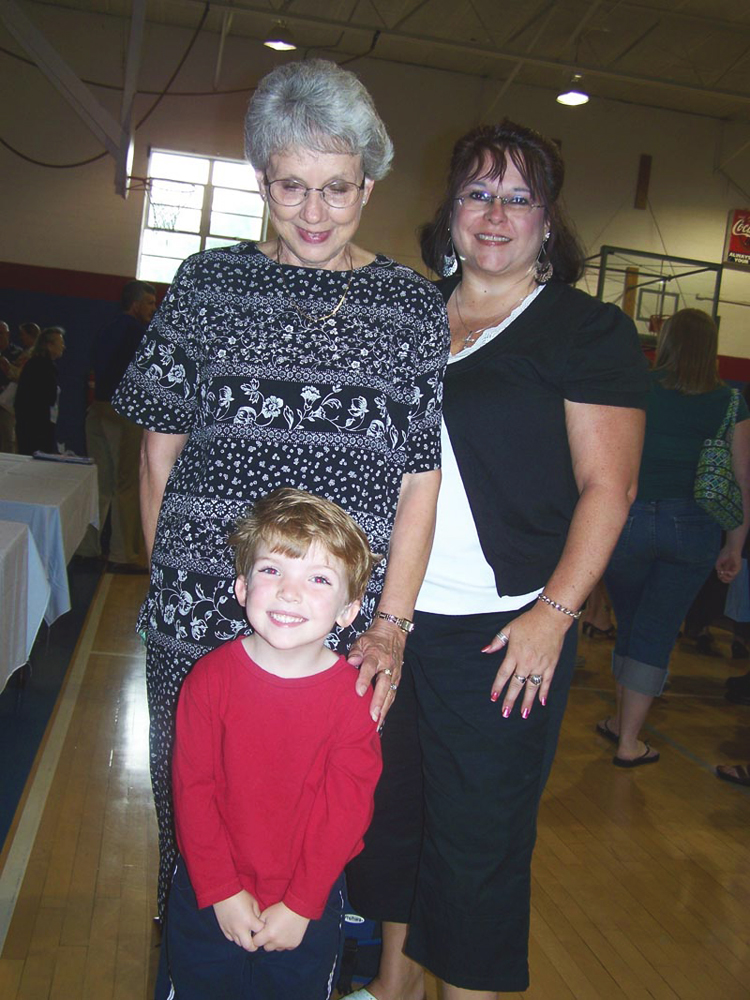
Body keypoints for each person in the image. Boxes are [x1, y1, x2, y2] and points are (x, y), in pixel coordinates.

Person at [112, 59, 448, 920]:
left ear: (368, 186)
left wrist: (392, 624)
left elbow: (418, 479)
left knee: (314, 832)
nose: (313, 214)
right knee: (198, 825)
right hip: (206, 609)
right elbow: (158, 453)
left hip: (331, 626)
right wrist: (176, 586)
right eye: (291, 187)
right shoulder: (207, 284)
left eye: (336, 189)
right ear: (263, 180)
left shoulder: (411, 307)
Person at [343, 119, 648, 1000]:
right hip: (391, 623)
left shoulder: (584, 332)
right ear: (451, 207)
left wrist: (552, 617)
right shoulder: (406, 310)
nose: (496, 213)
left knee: (478, 847)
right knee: (394, 824)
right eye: (479, 192)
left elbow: (609, 490)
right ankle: (392, 987)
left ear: (550, 220)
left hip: (503, 633)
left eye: (520, 197)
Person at [159, 488, 383, 999]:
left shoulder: (353, 701)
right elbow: (193, 789)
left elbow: (345, 812)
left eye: (318, 579)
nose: (289, 592)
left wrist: (303, 903)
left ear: (348, 611)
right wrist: (221, 891)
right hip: (206, 894)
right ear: (241, 587)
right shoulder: (209, 680)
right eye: (271, 571)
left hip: (307, 904)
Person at [598, 309, 750, 767]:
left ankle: (621, 723)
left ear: (665, 343)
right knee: (656, 630)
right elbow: (740, 480)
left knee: (631, 624)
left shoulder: (639, 387)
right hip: (695, 526)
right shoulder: (730, 403)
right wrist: (734, 546)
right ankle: (629, 739)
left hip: (628, 520)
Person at [79, 280, 156, 572]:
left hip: (98, 408)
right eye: (149, 303)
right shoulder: (137, 332)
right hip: (122, 413)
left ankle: (87, 546)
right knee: (126, 484)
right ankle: (122, 553)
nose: (154, 308)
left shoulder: (107, 329)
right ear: (135, 304)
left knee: (100, 483)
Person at [14, 326, 66, 455]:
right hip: (37, 428)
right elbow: (48, 397)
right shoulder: (44, 367)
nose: (63, 347)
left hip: (28, 424)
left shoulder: (35, 363)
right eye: (61, 343)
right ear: (49, 345)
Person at [0, 320, 21, 451]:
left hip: (7, 404)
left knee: (8, 437)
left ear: (8, 334)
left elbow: (21, 377)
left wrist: (8, 368)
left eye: (1, 333)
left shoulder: (16, 353)